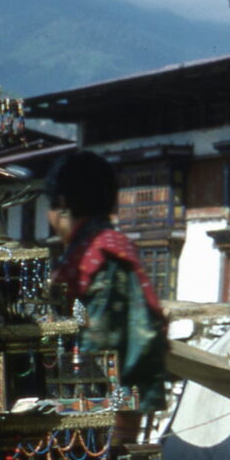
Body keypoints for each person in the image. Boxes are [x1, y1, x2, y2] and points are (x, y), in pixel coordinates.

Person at [43, 152, 169, 430]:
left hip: (98, 411)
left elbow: (98, 342)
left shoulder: (99, 256)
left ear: (61, 204)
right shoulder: (110, 249)